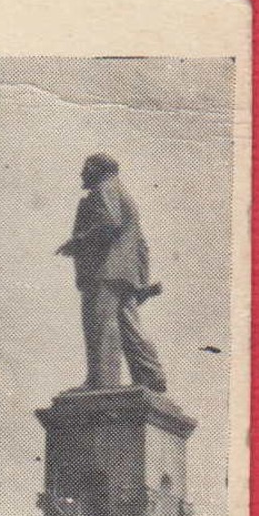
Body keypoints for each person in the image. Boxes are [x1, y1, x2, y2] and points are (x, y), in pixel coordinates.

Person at [56, 153, 167, 392]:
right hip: (123, 275)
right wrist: (139, 281)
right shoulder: (124, 195)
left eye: (85, 169)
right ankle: (150, 374)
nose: (81, 174)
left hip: (104, 272)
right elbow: (141, 245)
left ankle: (102, 382)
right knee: (129, 327)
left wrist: (78, 243)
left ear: (98, 169)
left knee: (101, 326)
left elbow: (109, 223)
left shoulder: (104, 188)